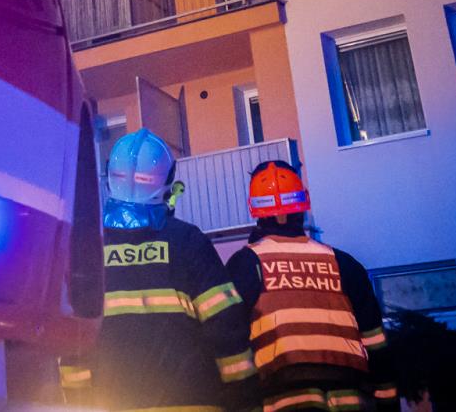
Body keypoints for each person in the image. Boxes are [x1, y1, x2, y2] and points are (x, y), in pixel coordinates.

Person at [60, 129, 258, 411]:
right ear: (166, 183)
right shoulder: (188, 241)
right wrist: (244, 399)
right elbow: (226, 323)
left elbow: (73, 337)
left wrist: (79, 401)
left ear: (110, 179)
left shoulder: (87, 250)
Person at [225, 162, 399, 412]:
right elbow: (376, 344)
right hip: (352, 400)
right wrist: (388, 404)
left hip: (285, 401)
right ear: (303, 205)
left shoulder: (246, 264)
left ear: (255, 209)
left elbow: (231, 342)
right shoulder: (343, 264)